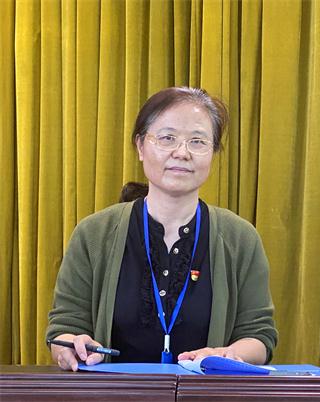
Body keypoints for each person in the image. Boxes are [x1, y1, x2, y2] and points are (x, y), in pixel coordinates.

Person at [47, 87, 277, 371]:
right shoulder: (93, 234)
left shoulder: (240, 238)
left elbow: (259, 335)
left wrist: (227, 354)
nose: (182, 153)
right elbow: (64, 327)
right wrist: (72, 344)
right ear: (140, 146)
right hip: (113, 392)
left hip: (207, 392)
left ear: (213, 152)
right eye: (168, 138)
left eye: (197, 141)